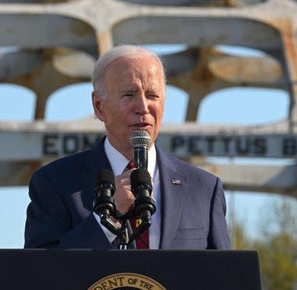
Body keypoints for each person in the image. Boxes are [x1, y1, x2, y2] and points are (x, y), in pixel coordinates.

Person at [24, 45, 231, 250]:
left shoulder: (204, 189)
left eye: (152, 95)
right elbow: (42, 274)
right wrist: (107, 219)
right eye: (128, 95)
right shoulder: (55, 183)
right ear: (99, 106)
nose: (143, 107)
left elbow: (225, 278)